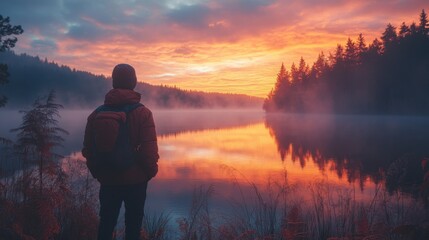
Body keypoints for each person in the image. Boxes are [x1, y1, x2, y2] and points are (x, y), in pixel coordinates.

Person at [82, 63, 159, 240]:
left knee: (106, 223)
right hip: (137, 180)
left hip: (108, 180)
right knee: (133, 226)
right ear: (134, 82)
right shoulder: (143, 113)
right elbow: (149, 150)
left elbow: (88, 149)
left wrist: (98, 172)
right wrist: (150, 172)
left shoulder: (96, 114)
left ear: (113, 82)